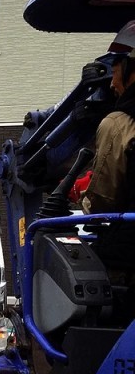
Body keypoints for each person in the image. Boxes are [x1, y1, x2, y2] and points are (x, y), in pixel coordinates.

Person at [78, 49, 135, 273]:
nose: (112, 84)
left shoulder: (118, 123)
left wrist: (85, 202)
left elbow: (102, 200)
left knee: (87, 267)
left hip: (129, 247)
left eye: (115, 72)